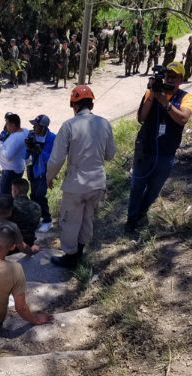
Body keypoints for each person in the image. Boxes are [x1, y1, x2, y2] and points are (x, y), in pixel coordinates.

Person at [46, 86, 116, 269]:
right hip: (97, 183)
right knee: (87, 218)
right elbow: (110, 154)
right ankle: (80, 253)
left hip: (76, 185)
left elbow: (56, 159)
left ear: (73, 105)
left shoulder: (69, 126)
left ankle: (70, 258)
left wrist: (49, 177)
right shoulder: (104, 123)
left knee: (70, 221)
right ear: (91, 103)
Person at [125, 61, 192, 233]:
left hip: (166, 152)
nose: (170, 79)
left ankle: (142, 212)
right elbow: (141, 117)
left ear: (181, 79)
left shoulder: (186, 97)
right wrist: (152, 94)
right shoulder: (152, 92)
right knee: (137, 187)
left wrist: (165, 102)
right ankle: (131, 220)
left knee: (154, 189)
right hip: (145, 149)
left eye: (174, 76)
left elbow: (183, 119)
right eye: (167, 75)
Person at [25, 114, 56, 232]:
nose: (33, 128)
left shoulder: (52, 138)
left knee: (40, 195)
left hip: (46, 171)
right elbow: (25, 156)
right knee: (33, 196)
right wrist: (28, 147)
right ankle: (37, 219)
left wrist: (39, 150)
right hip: (34, 170)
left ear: (43, 127)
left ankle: (48, 220)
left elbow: (51, 158)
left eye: (36, 126)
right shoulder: (32, 135)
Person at [0, 113, 28, 196]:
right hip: (17, 168)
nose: (6, 126)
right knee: (12, 194)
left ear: (13, 125)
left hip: (10, 171)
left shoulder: (16, 138)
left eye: (7, 124)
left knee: (4, 195)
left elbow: (7, 156)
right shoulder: (25, 131)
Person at [9, 178, 41, 249]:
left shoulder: (10, 205)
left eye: (12, 189)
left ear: (15, 191)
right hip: (29, 243)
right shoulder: (37, 206)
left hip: (13, 245)